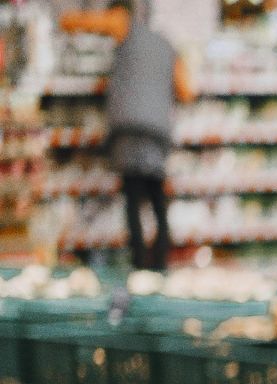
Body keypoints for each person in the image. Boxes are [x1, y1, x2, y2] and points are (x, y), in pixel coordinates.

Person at [60, 3, 194, 271]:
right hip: (157, 130)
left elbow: (80, 22)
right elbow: (187, 91)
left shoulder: (124, 25)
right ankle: (160, 264)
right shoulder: (167, 45)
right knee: (157, 197)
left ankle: (140, 265)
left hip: (129, 126)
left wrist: (64, 20)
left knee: (132, 196)